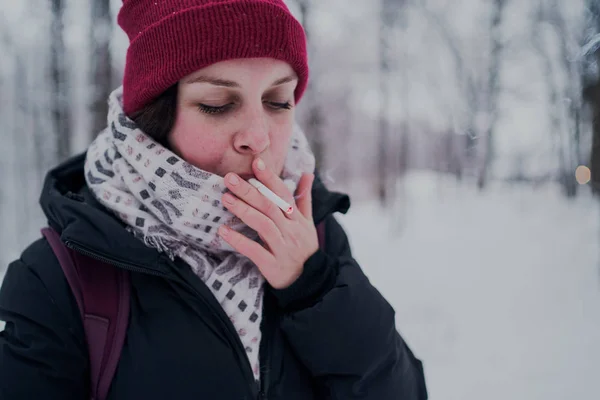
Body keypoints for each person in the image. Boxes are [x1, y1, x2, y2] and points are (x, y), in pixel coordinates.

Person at [0, 1, 427, 399]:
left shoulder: (311, 231)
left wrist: (313, 286)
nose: (258, 137)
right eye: (218, 104)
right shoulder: (58, 279)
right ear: (156, 117)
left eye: (278, 100)